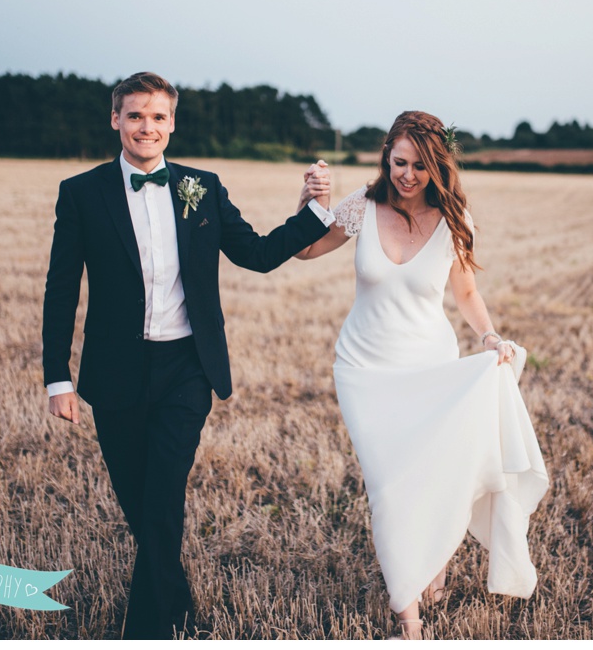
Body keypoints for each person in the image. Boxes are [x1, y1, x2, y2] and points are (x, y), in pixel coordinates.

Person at [42, 71, 334, 639]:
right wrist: (58, 377)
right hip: (115, 373)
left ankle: (146, 632)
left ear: (172, 123)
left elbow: (256, 252)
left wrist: (314, 213)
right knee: (141, 509)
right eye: (134, 115)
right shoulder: (81, 192)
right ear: (115, 120)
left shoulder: (202, 186)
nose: (146, 127)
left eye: (157, 117)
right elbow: (61, 287)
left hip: (185, 371)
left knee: (163, 502)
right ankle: (178, 611)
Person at [296, 111, 548, 639]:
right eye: (400, 162)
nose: (408, 175)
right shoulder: (362, 208)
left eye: (421, 166)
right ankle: (409, 619)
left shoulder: (455, 221)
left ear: (438, 168)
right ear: (387, 155)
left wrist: (490, 338)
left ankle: (426, 575)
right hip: (363, 372)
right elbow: (305, 247)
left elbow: (466, 294)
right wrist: (309, 202)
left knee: (431, 478)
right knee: (389, 488)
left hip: (429, 369)